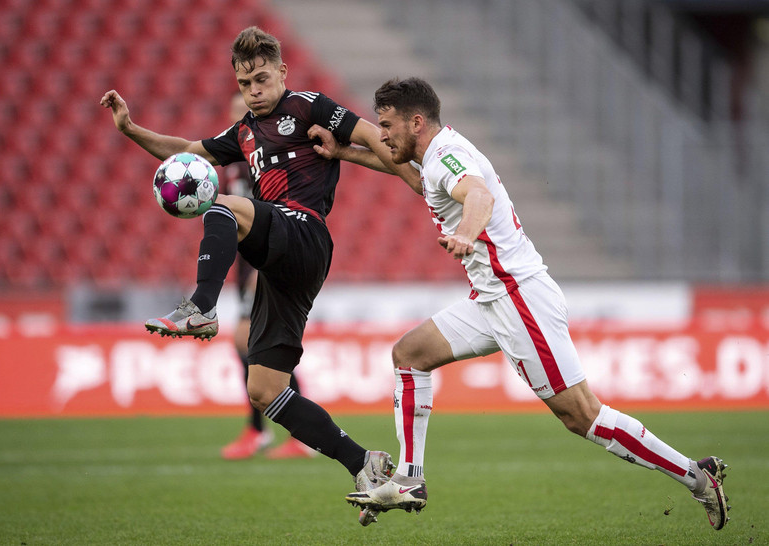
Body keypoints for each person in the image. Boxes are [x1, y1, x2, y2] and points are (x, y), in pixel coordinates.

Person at [309, 77, 730, 530]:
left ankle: (695, 476)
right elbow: (416, 180)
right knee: (409, 356)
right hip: (491, 300)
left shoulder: (448, 157)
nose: (382, 133)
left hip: (517, 299)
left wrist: (467, 234)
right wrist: (344, 153)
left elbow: (479, 195)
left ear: (416, 121)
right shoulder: (433, 159)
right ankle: (410, 478)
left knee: (582, 416)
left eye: (387, 125)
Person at [100, 27, 419, 505]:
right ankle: (364, 466)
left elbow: (378, 140)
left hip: (307, 231)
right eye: (245, 83)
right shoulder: (242, 132)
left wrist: (421, 183)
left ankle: (202, 306)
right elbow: (187, 151)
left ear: (282, 73)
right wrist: (130, 129)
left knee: (222, 204)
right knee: (265, 389)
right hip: (282, 264)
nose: (254, 91)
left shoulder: (311, 106)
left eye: (263, 80)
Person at [219, 94, 312, 461]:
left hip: (264, 262)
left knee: (250, 344)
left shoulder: (262, 160)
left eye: (240, 111)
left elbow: (272, 215)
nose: (235, 117)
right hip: (247, 265)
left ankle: (268, 431)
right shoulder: (233, 159)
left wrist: (261, 269)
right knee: (253, 347)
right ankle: (278, 431)